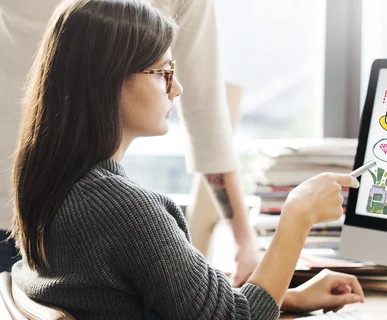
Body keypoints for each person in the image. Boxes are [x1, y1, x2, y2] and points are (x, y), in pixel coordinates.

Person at [8, 0, 365, 318]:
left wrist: (287, 297)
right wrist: (298, 213)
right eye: (162, 73)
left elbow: (171, 299)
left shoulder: (53, 187)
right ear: (108, 80)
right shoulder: (124, 210)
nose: (176, 88)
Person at [0, 0, 261, 285]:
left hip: (34, 202)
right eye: (162, 73)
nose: (175, 88)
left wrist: (242, 240)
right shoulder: (132, 214)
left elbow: (206, 116)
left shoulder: (121, 207)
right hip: (34, 214)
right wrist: (282, 224)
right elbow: (206, 115)